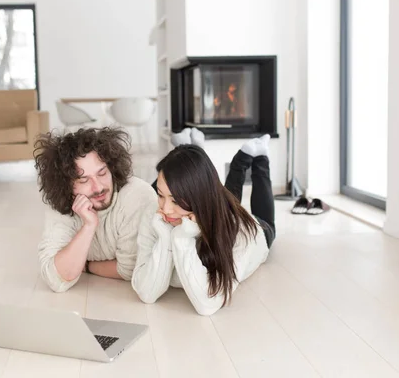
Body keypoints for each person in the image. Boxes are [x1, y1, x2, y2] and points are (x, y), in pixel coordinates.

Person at [132, 135, 275, 316]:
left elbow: (207, 305)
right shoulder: (156, 214)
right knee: (225, 197)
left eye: (175, 200)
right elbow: (147, 293)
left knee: (266, 221)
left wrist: (182, 238)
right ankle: (242, 156)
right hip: (212, 209)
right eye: (160, 195)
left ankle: (260, 156)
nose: (166, 209)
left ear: (198, 198)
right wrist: (166, 236)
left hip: (259, 231)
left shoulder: (241, 232)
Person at [34, 127, 157, 293]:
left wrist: (87, 266)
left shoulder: (136, 195)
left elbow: (129, 270)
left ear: (112, 168)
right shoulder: (61, 203)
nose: (98, 187)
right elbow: (56, 279)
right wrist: (89, 225)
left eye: (102, 173)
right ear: (66, 185)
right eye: (84, 180)